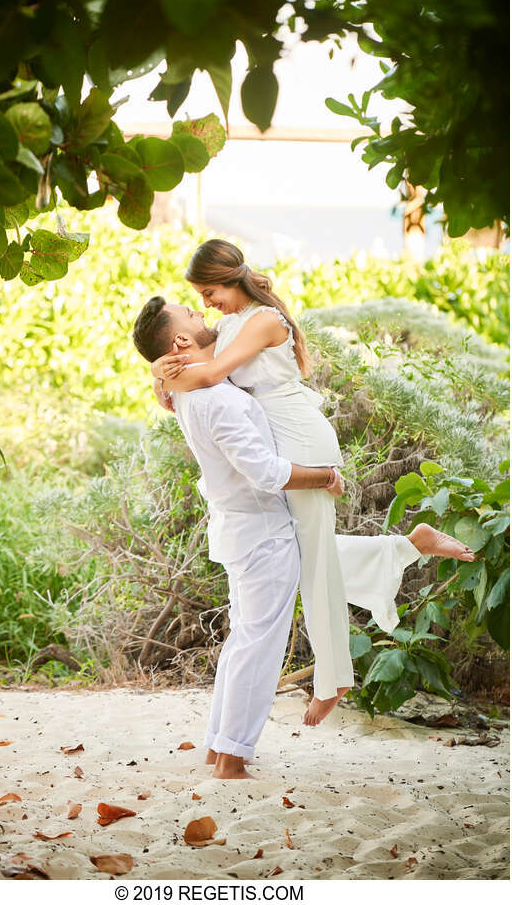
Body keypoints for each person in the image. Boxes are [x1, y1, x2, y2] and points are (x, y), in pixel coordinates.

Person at [149, 239, 475, 726]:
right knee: (299, 551)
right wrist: (160, 372)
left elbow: (210, 371)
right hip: (279, 442)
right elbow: (191, 364)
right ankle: (409, 546)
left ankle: (333, 678)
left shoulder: (262, 320)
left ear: (229, 277)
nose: (204, 304)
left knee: (315, 562)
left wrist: (162, 375)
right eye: (197, 296)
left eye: (207, 291)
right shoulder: (231, 324)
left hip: (299, 438)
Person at [132, 297, 345, 778]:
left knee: (243, 641)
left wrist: (158, 378)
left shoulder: (192, 390)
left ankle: (218, 747)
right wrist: (325, 477)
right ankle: (231, 759)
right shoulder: (217, 399)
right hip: (261, 533)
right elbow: (266, 472)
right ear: (181, 340)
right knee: (258, 647)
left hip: (239, 530)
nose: (201, 311)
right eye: (190, 312)